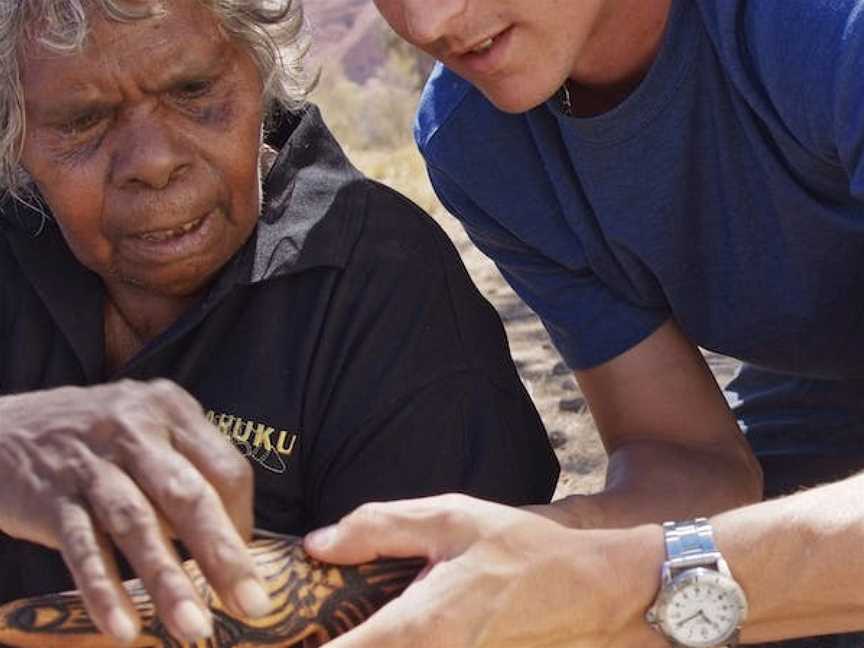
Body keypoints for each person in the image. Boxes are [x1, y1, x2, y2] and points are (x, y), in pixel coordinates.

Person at [304, 0, 864, 646]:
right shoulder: (479, 138)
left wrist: (611, 582)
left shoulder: (821, 25)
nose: (428, 22)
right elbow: (691, 461)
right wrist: (546, 548)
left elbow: (639, 577)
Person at [0, 0, 560, 644]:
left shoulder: (382, 283)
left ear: (261, 77)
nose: (153, 162)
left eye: (193, 91)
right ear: (18, 138)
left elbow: (442, 607)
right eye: (82, 121)